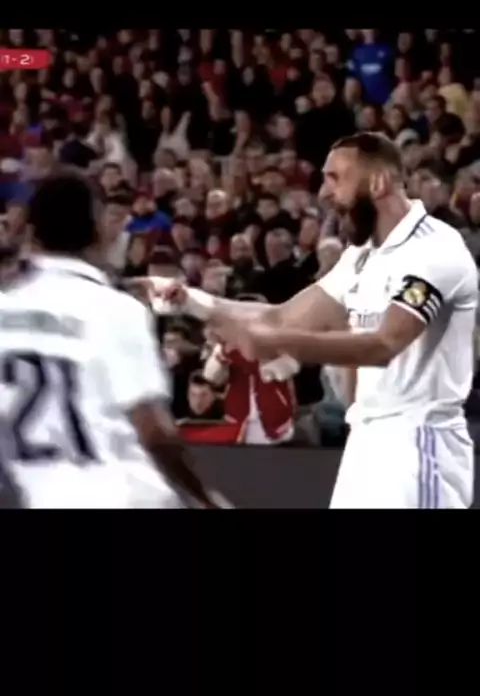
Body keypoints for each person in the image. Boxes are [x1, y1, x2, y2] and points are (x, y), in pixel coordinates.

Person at [147, 132, 478, 508]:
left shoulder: (434, 250)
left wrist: (275, 343)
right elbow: (281, 317)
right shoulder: (362, 256)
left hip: (419, 444)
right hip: (365, 441)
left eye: (336, 178)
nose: (324, 193)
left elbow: (384, 345)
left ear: (378, 182)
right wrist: (191, 301)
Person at [0, 172, 229, 509]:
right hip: (117, 494)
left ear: (31, 234)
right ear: (99, 232)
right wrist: (207, 499)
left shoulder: (5, 309)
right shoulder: (114, 309)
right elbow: (155, 432)